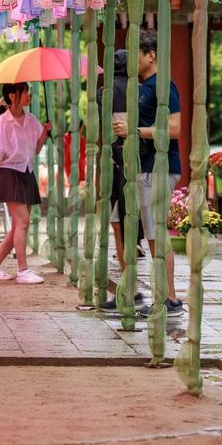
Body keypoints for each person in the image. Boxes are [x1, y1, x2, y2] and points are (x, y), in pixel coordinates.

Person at [113, 29, 183, 318]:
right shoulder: (143, 86)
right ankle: (162, 296)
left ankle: (170, 299)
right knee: (142, 231)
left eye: (136, 53)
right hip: (143, 167)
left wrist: (135, 130)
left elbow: (174, 129)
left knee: (156, 236)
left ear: (150, 55)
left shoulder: (163, 85)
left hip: (158, 167)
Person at [0, 82, 51, 284]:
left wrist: (44, 133)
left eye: (27, 91)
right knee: (22, 222)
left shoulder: (32, 120)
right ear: (12, 95)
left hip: (27, 172)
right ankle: (23, 271)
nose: (27, 95)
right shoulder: (2, 122)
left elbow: (35, 149)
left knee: (18, 224)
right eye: (23, 91)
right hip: (9, 172)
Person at [97, 49, 146, 312]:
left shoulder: (108, 90)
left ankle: (131, 290)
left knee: (119, 223)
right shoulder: (141, 88)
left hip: (120, 162)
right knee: (122, 221)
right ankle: (130, 288)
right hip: (140, 160)